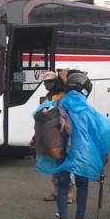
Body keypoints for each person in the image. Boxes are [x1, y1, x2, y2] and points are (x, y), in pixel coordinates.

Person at [35, 73, 110, 219]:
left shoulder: (55, 105)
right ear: (85, 91)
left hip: (60, 152)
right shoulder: (88, 111)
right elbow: (102, 134)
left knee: (63, 186)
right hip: (82, 155)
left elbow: (38, 116)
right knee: (82, 185)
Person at [39, 70, 76, 204]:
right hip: (51, 134)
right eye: (45, 82)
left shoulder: (63, 94)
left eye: (50, 81)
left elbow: (72, 93)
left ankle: (70, 193)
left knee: (65, 163)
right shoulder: (48, 97)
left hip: (63, 134)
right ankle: (57, 191)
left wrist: (64, 78)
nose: (47, 84)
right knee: (54, 162)